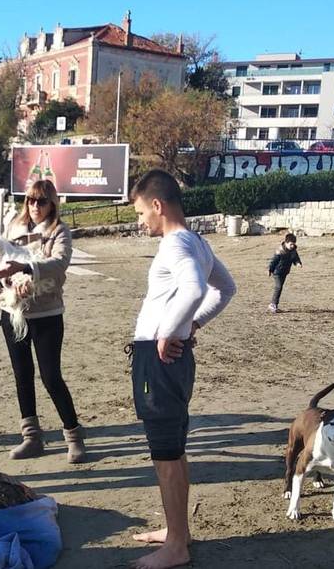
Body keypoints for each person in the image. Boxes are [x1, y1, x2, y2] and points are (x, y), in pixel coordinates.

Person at [128, 169, 236, 569]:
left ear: (158, 205)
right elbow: (226, 288)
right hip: (172, 359)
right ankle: (178, 532)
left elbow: (194, 288)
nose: (141, 221)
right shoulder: (197, 242)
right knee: (173, 448)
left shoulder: (175, 244)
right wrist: (192, 326)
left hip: (160, 362)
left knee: (166, 453)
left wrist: (169, 331)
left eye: (141, 213)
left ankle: (176, 547)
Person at [0, 179, 87, 464]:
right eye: (31, 200)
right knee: (22, 374)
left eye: (41, 201)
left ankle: (74, 436)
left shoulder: (59, 232)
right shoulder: (14, 226)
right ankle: (31, 437)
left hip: (47, 314)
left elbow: (59, 264)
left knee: (50, 376)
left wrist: (27, 267)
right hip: (13, 312)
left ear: (52, 204)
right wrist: (4, 278)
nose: (35, 206)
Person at [267, 232, 302, 313]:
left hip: (285, 272)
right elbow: (273, 261)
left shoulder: (293, 250)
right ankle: (273, 305)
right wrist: (270, 270)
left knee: (280, 288)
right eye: (291, 244)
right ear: (286, 243)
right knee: (278, 287)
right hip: (277, 272)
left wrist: (298, 263)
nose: (292, 246)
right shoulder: (280, 251)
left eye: (293, 244)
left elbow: (295, 258)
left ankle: (274, 304)